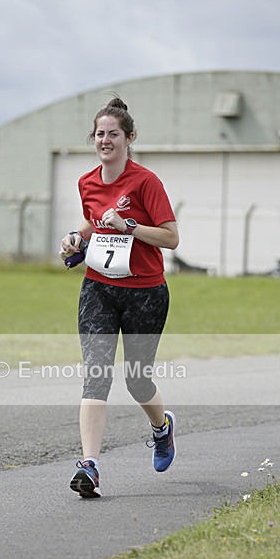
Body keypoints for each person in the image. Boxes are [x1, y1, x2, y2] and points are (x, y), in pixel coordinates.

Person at [59, 97, 179, 499]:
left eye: (113, 134)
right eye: (99, 134)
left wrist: (130, 226)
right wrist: (76, 239)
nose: (105, 140)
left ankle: (162, 430)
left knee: (137, 379)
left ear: (129, 138)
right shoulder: (87, 182)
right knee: (96, 374)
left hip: (145, 291)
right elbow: (93, 224)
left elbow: (170, 237)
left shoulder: (146, 182)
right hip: (98, 288)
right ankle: (89, 466)